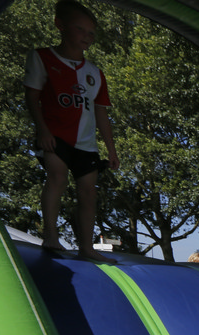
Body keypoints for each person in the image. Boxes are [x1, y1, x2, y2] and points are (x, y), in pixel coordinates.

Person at [24, 1, 119, 262]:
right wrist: (42, 130)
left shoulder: (95, 73)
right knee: (57, 177)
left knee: (89, 191)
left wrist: (111, 150)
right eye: (80, 29)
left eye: (91, 32)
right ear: (60, 25)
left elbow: (101, 113)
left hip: (86, 144)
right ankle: (50, 235)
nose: (86, 36)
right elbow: (32, 97)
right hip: (55, 135)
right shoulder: (42, 57)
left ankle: (87, 247)